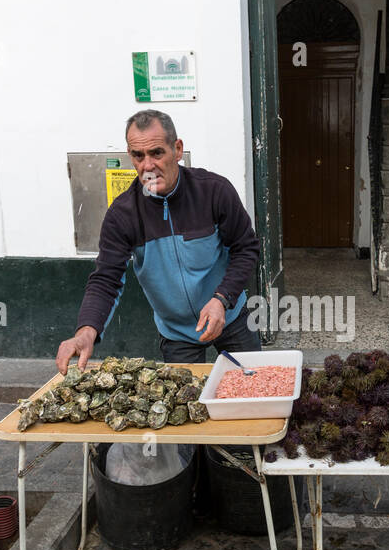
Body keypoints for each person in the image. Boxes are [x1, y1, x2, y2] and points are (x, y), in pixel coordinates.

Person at [55, 110, 262, 372]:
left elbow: (246, 248)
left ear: (177, 149)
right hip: (176, 333)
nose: (147, 165)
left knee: (253, 389)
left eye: (156, 153)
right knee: (185, 407)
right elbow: (106, 279)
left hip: (230, 316)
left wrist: (222, 298)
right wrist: (86, 331)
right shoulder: (122, 214)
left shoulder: (214, 191)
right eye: (138, 156)